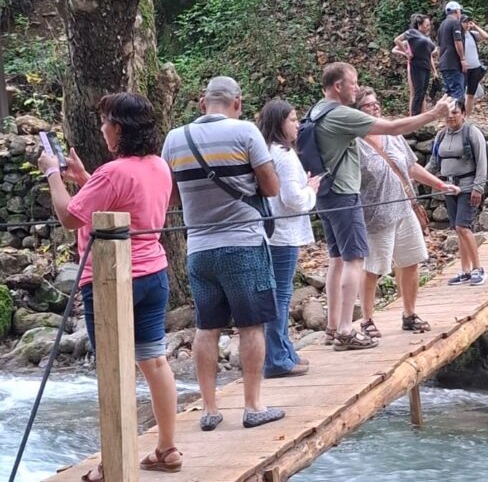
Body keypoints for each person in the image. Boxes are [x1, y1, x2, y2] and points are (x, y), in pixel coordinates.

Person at [38, 92, 181, 478]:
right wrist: (84, 179)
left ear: (119, 128)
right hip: (153, 273)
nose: (102, 129)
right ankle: (167, 448)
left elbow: (70, 217)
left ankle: (111, 463)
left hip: (111, 280)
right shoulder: (158, 166)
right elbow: (125, 207)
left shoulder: (114, 172)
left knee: (112, 370)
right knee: (154, 360)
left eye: (105, 122)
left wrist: (53, 173)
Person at [162, 76, 284, 431]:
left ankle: (210, 409)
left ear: (202, 103)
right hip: (244, 244)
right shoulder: (246, 132)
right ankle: (253, 405)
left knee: (206, 327)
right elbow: (272, 188)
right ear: (238, 102)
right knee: (251, 326)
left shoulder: (175, 138)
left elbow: (170, 197)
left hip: (198, 249)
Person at [308, 62, 454, 351]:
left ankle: (340, 325)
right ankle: (352, 326)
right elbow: (395, 125)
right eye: (354, 83)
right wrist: (434, 114)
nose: (357, 88)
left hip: (383, 204)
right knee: (359, 262)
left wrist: (438, 184)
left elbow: (408, 163)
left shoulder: (318, 112)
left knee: (355, 259)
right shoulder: (342, 117)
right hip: (361, 204)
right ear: (338, 86)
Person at [352, 87, 460, 339]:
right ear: (357, 112)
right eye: (368, 106)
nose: (375, 108)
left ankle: (409, 313)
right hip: (376, 212)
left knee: (411, 260)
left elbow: (411, 166)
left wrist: (440, 185)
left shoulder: (391, 134)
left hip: (404, 206)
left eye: (376, 103)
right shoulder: (354, 141)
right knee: (374, 268)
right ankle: (367, 319)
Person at [257, 99, 319, 378]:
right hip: (282, 234)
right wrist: (311, 189)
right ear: (279, 123)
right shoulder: (284, 155)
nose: (298, 125)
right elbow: (293, 198)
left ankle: (284, 350)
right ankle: (277, 358)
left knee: (278, 295)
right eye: (293, 120)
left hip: (271, 232)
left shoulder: (267, 151)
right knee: (280, 297)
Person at [425, 99, 488, 286]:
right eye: (447, 114)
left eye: (455, 112)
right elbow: (435, 163)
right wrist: (415, 176)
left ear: (463, 114)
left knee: (463, 226)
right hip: (449, 188)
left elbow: (482, 162)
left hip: (468, 187)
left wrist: (478, 187)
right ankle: (465, 270)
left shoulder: (472, 133)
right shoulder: (441, 136)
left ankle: (478, 269)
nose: (451, 116)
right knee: (458, 230)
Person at [395, 13, 438, 116]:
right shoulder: (412, 32)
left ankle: (419, 117)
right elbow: (397, 40)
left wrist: (434, 71)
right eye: (427, 25)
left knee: (423, 93)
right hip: (417, 66)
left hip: (426, 66)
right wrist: (406, 52)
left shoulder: (427, 37)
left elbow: (430, 54)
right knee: (417, 93)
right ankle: (414, 116)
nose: (429, 27)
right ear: (420, 25)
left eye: (429, 25)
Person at [437, 1, 467, 101]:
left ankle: (449, 116)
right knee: (457, 94)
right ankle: (456, 115)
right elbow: (457, 41)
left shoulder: (442, 25)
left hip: (444, 63)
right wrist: (462, 59)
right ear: (457, 11)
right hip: (453, 63)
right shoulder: (455, 23)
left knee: (449, 94)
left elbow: (439, 46)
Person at [461, 14, 488, 116]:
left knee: (471, 94)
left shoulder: (472, 34)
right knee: (461, 93)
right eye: (465, 22)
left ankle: (467, 116)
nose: (467, 24)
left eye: (468, 22)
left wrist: (475, 26)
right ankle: (460, 114)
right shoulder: (458, 36)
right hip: (463, 68)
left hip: (475, 67)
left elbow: (486, 36)